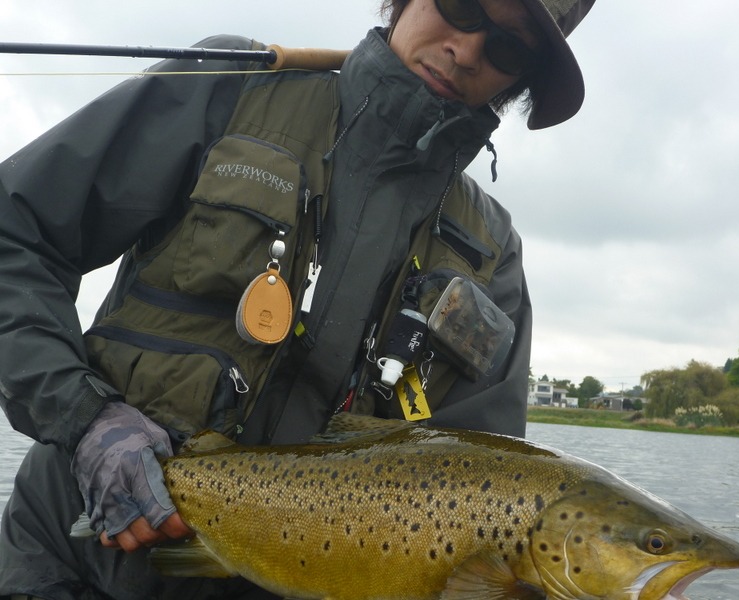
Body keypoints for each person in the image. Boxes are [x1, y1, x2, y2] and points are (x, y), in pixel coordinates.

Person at [0, 0, 595, 597]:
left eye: (507, 48)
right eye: (463, 7)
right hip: (62, 562)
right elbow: (13, 234)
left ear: (520, 80)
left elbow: (488, 483)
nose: (466, 51)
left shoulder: (493, 256)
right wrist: (84, 417)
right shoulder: (230, 92)